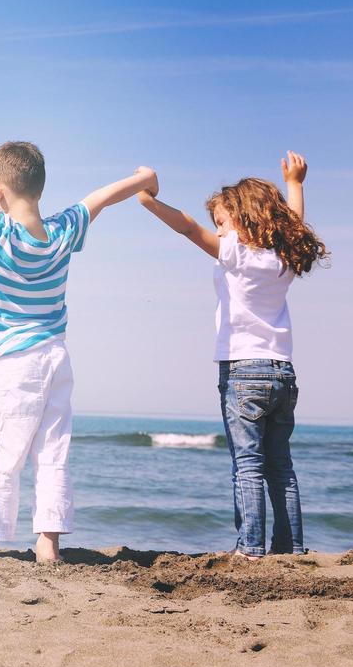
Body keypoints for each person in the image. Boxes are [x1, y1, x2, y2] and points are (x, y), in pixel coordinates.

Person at [0, 103, 156, 563]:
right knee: (52, 452)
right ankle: (48, 545)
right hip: (55, 358)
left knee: (0, 454)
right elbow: (100, 198)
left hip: (9, 363)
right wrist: (142, 180)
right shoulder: (61, 232)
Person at [138, 152, 327, 558]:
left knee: (248, 465)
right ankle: (290, 546)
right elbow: (293, 221)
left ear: (246, 216)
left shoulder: (236, 251)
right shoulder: (285, 256)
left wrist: (150, 202)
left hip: (244, 371)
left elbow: (187, 227)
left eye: (222, 221)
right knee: (280, 466)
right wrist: (296, 183)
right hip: (282, 372)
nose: (218, 229)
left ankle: (251, 549)